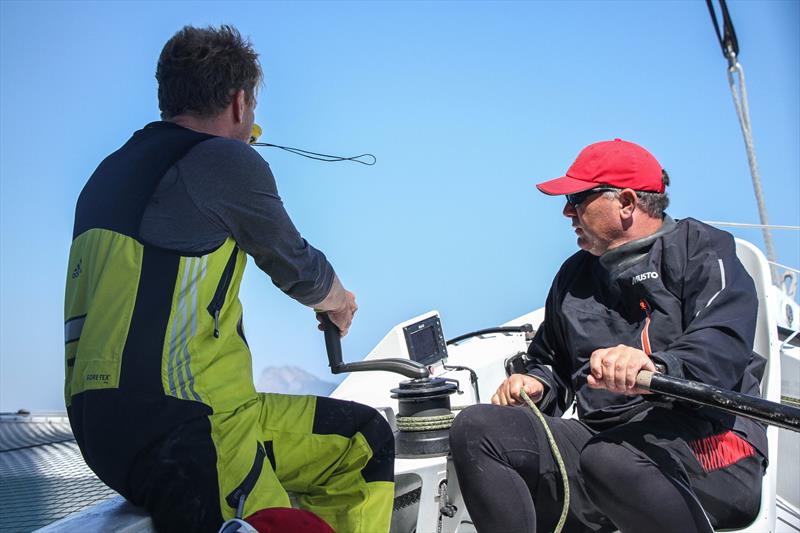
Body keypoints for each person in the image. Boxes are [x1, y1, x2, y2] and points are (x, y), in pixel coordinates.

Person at [63, 25, 394, 533]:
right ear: (240, 103)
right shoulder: (221, 159)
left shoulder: (106, 174)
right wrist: (339, 302)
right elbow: (299, 268)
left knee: (362, 440)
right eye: (252, 111)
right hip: (188, 424)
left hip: (102, 428)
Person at [449, 139, 767, 533]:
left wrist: (656, 367)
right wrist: (537, 383)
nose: (567, 212)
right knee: (477, 427)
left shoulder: (703, 249)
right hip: (606, 446)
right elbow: (552, 363)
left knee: (609, 459)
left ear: (627, 203)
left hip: (714, 441)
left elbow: (721, 344)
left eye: (577, 198)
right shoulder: (573, 275)